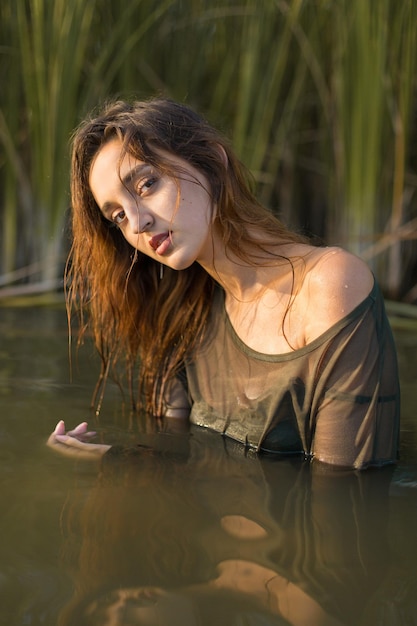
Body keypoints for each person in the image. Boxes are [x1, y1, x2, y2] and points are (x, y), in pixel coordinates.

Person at [48, 97, 400, 469]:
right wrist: (114, 458)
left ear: (214, 161)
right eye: (117, 215)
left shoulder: (329, 284)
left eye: (147, 184)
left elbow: (344, 494)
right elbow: (183, 463)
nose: (136, 224)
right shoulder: (183, 320)